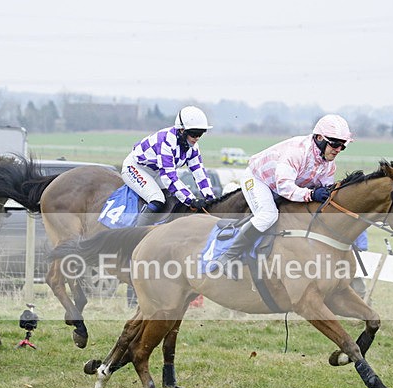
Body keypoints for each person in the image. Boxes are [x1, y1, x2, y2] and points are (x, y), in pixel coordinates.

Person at [213, 114, 353, 276]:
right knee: (268, 215)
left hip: (282, 184)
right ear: (320, 138)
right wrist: (311, 194)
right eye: (335, 144)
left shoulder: (329, 165)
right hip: (259, 179)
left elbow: (325, 192)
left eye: (343, 146)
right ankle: (228, 257)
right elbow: (285, 188)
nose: (338, 150)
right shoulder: (297, 152)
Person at [122, 106, 216, 226]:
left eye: (200, 134)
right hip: (136, 168)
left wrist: (210, 197)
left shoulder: (193, 148)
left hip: (157, 172)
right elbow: (168, 177)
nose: (197, 138)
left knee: (186, 200)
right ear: (182, 130)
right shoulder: (166, 141)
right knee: (157, 200)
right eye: (194, 134)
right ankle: (136, 234)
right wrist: (191, 200)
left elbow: (199, 173)